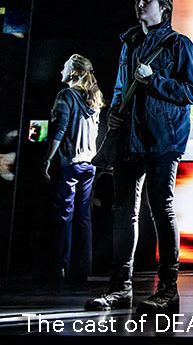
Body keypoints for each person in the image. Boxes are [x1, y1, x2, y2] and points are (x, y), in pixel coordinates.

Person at [85, 0, 193, 313]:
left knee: (161, 209)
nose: (140, 5)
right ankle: (120, 288)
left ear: (163, 6)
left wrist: (154, 80)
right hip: (129, 139)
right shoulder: (129, 43)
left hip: (163, 140)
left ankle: (168, 290)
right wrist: (116, 116)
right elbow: (122, 87)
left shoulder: (179, 44)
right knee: (124, 213)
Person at [44, 54, 104, 281]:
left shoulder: (66, 95)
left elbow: (60, 129)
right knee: (83, 216)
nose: (61, 70)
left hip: (70, 163)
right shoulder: (94, 97)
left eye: (65, 66)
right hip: (89, 164)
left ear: (74, 73)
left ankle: (60, 268)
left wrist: (48, 158)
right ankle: (82, 270)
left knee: (64, 216)